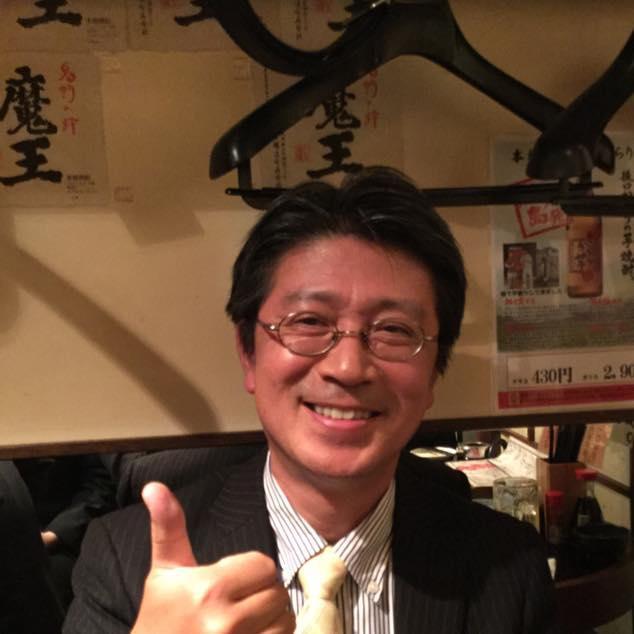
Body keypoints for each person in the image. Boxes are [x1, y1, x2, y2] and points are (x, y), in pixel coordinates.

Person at [64, 167, 558, 633]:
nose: (348, 367)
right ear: (248, 353)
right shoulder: (126, 562)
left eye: (393, 330)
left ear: (433, 373)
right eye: (309, 322)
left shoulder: (509, 567)